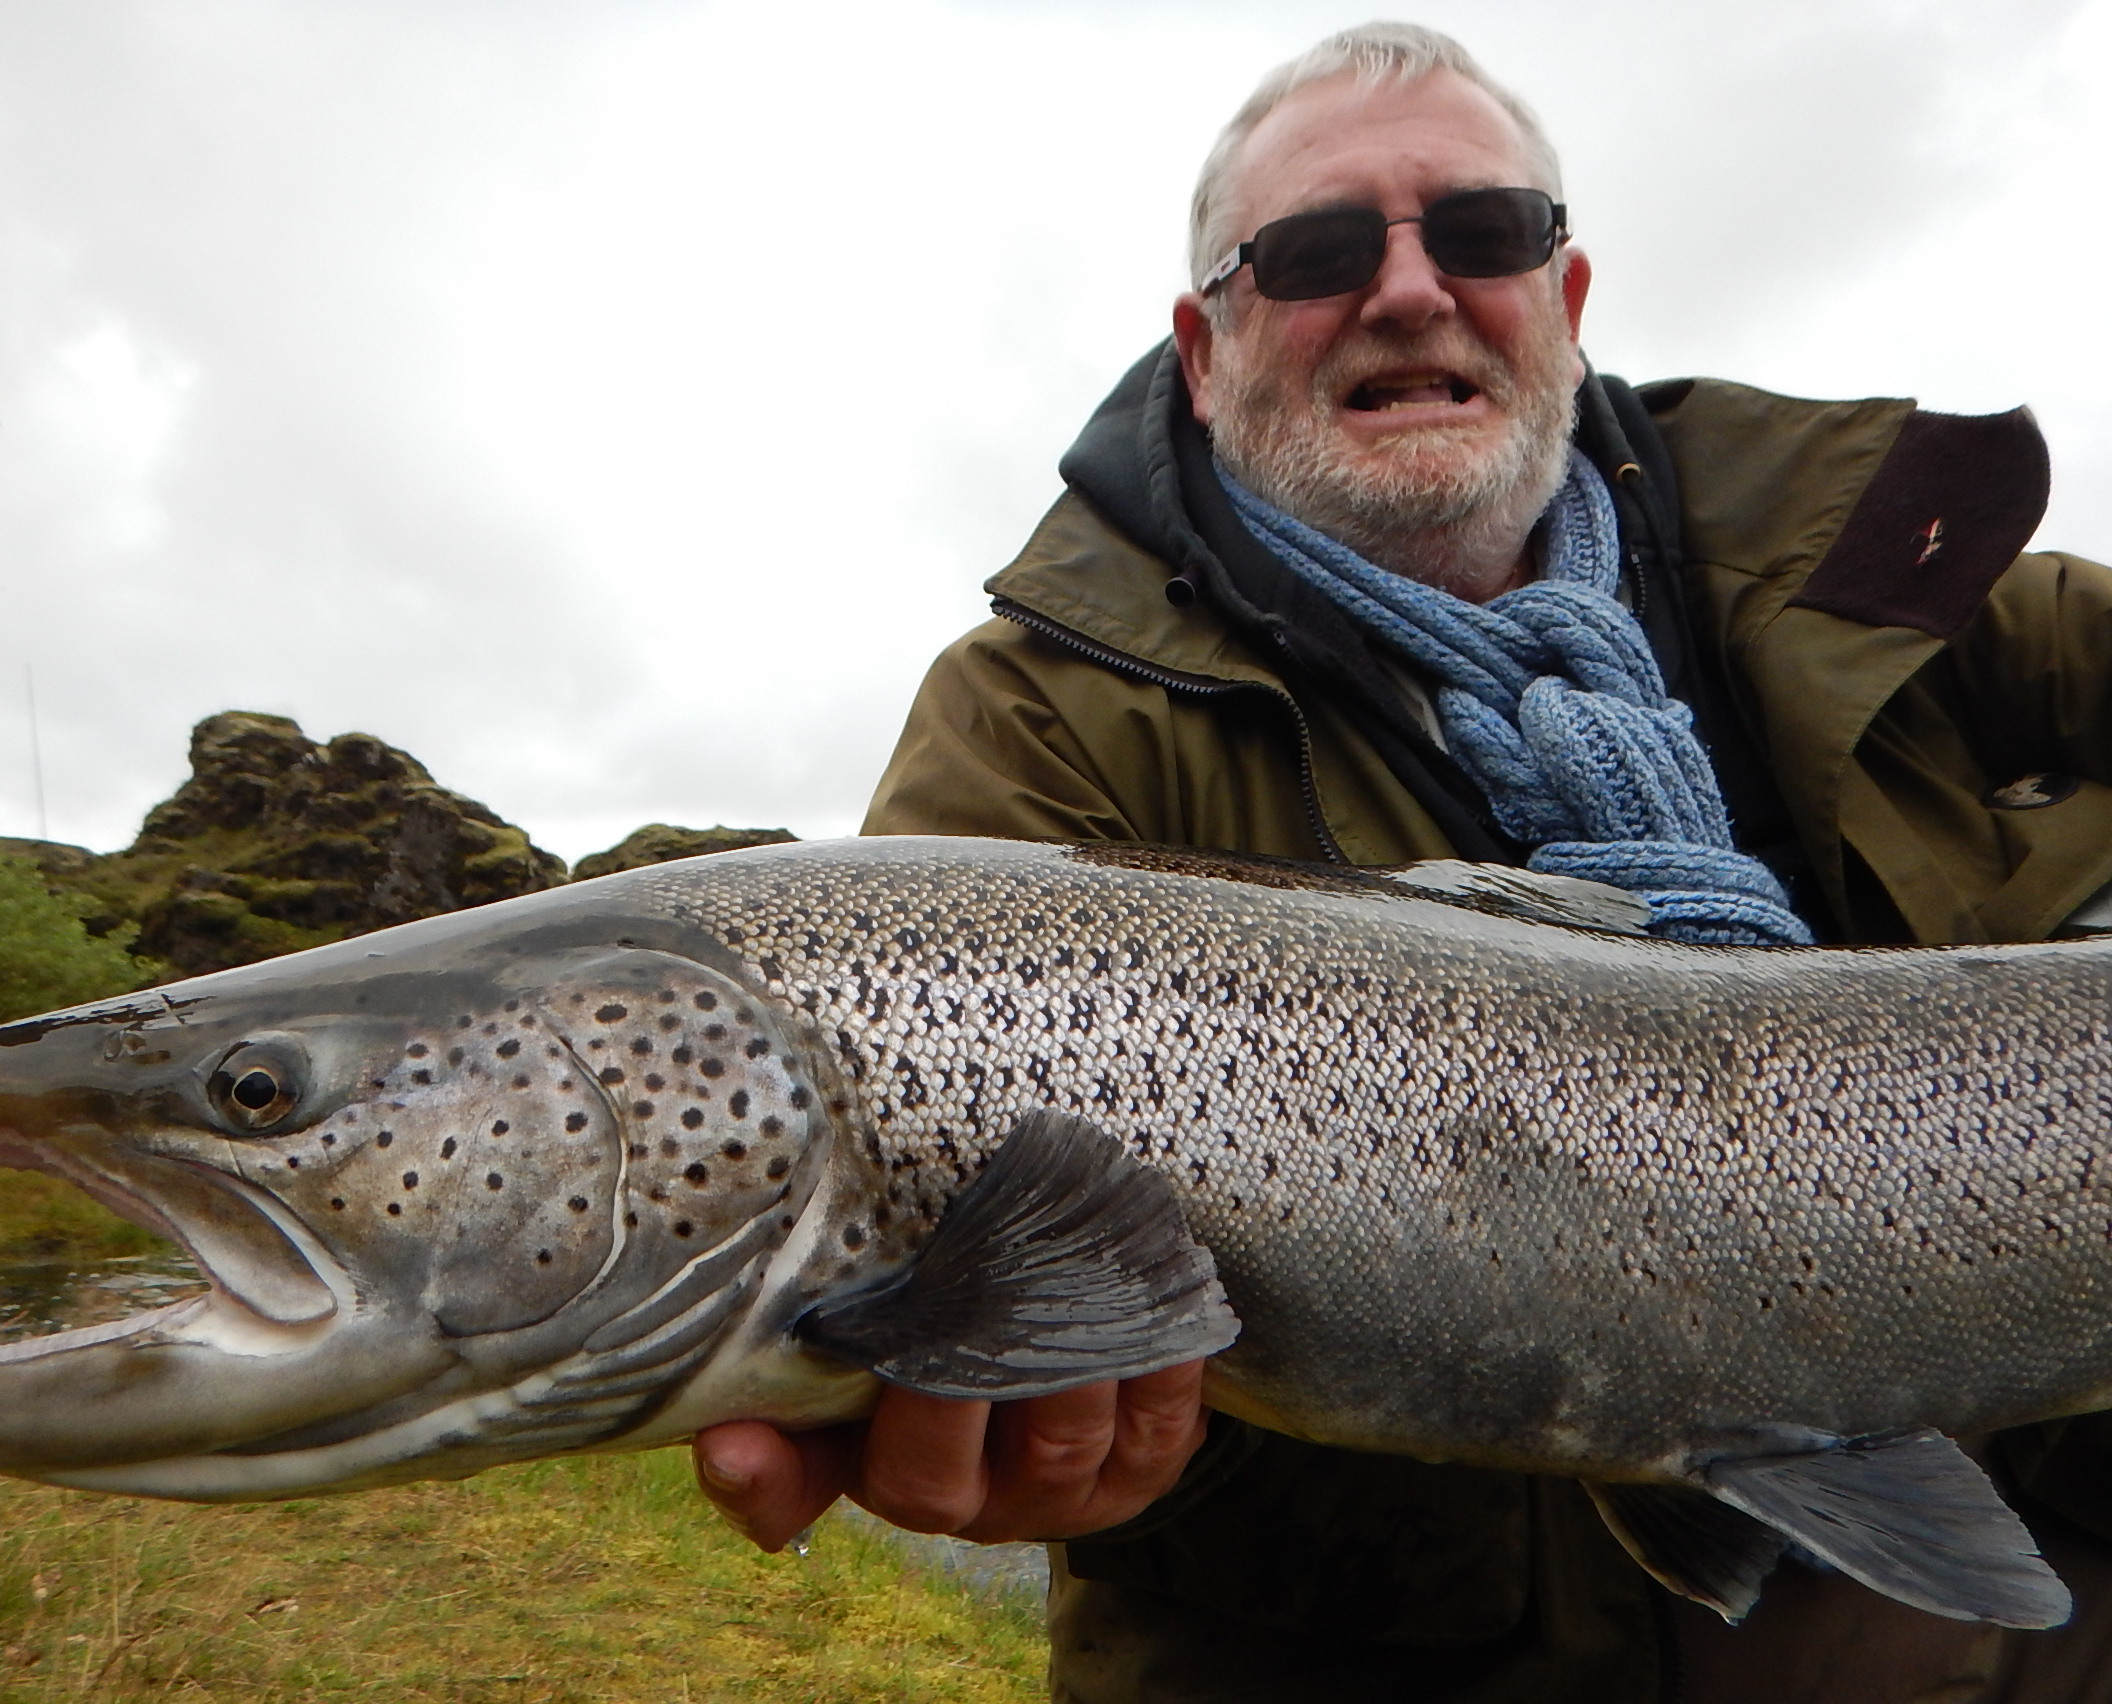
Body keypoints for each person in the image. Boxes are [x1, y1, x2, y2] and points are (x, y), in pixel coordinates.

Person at [690, 20, 2112, 1704]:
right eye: (1315, 252)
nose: (1413, 290)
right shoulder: (1031, 729)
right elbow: (957, 1265)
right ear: (1203, 350)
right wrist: (1057, 1417)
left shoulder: (1907, 581)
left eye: (1487, 233)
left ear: (1567, 304)